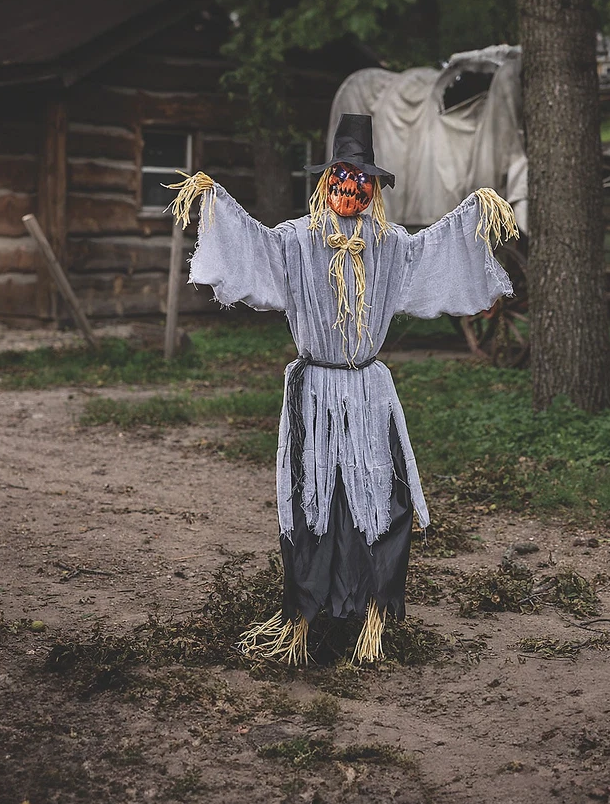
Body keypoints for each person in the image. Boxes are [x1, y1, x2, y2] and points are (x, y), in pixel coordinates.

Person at [169, 113, 516, 665]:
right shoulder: (295, 241)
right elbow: (254, 247)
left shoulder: (391, 245)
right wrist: (216, 202)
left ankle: (369, 622)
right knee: (314, 502)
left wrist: (475, 216)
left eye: (361, 179)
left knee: (379, 500)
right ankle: (307, 622)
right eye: (339, 177)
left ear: (374, 187)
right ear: (325, 181)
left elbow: (432, 253)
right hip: (314, 394)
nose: (349, 188)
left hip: (369, 395)